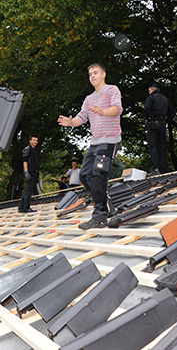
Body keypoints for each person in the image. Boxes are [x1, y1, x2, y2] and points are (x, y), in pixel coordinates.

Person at [57, 63, 122, 230]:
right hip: (95, 143)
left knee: (98, 175)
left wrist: (103, 112)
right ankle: (108, 207)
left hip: (109, 141)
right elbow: (81, 117)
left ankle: (100, 216)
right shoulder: (89, 99)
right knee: (85, 175)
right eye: (90, 74)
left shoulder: (111, 90)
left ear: (103, 74)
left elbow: (116, 109)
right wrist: (71, 122)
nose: (92, 76)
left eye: (95, 72)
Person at [144, 82, 175, 175]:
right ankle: (164, 169)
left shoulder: (151, 98)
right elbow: (172, 113)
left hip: (153, 123)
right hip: (162, 124)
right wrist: (167, 122)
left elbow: (147, 107)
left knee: (153, 146)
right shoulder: (165, 99)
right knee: (162, 147)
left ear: (150, 89)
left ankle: (155, 168)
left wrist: (147, 118)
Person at [18, 135, 40, 213]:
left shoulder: (34, 150)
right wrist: (26, 172)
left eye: (36, 140)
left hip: (34, 173)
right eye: (34, 140)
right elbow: (25, 161)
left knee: (27, 190)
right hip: (29, 172)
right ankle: (25, 208)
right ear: (30, 141)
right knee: (28, 190)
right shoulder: (28, 149)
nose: (35, 142)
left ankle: (21, 207)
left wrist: (37, 175)